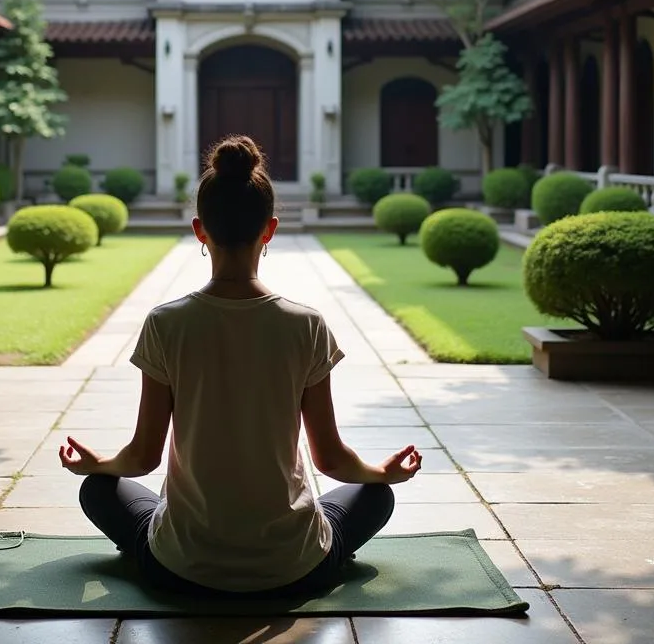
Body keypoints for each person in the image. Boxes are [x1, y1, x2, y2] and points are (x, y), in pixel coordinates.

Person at [58, 134, 422, 596]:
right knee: (376, 496)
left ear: (199, 230)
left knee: (97, 489)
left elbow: (144, 456)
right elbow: (330, 459)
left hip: (182, 567)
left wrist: (100, 463)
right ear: (269, 230)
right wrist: (381, 474)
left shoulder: (166, 323)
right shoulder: (305, 324)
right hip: (295, 567)